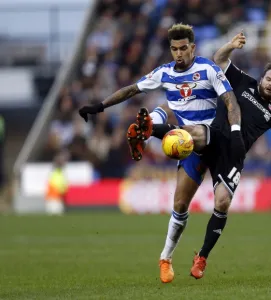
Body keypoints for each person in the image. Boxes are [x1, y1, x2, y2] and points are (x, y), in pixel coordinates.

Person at [78, 24, 244, 283]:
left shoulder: (208, 69)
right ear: (171, 49)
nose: (179, 54)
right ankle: (165, 258)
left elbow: (231, 102)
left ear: (193, 47)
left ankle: (151, 130)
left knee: (186, 132)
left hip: (215, 138)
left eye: (184, 48)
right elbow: (131, 89)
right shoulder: (164, 73)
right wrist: (99, 106)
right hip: (187, 143)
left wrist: (235, 132)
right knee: (179, 205)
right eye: (175, 49)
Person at [131, 32, 271, 280]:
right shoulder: (243, 82)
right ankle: (147, 130)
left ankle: (202, 257)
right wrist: (230, 46)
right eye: (269, 79)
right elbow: (219, 59)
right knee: (191, 135)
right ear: (262, 78)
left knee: (222, 203)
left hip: (232, 157)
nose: (270, 84)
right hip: (216, 135)